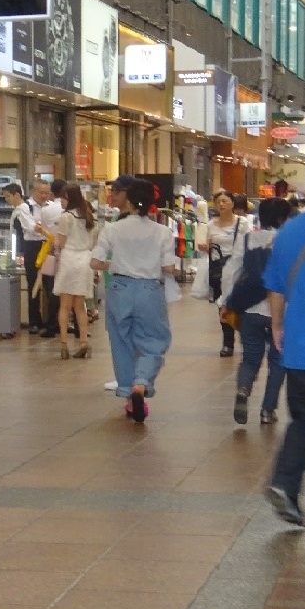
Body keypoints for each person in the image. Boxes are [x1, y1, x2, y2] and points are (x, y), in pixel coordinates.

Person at [90, 179, 176, 423]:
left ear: (129, 200)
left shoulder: (112, 229)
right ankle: (141, 383)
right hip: (150, 289)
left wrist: (116, 264)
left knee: (121, 341)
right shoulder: (163, 232)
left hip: (119, 288)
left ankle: (129, 396)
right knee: (154, 340)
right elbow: (169, 267)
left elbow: (95, 263)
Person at [219, 198, 291, 426]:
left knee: (250, 358)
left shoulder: (247, 238)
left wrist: (225, 301)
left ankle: (243, 388)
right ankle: (267, 410)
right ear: (283, 218)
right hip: (282, 311)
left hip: (250, 309)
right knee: (278, 361)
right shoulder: (290, 241)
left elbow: (231, 272)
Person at [263, 204, 305, 527]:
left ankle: (284, 483)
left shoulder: (291, 231)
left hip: (301, 347)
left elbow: (276, 286)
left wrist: (278, 326)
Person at [52, 183, 99, 359]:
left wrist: (55, 244)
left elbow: (61, 243)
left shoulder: (66, 217)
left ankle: (64, 344)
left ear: (69, 198)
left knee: (64, 305)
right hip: (85, 260)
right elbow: (94, 243)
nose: (61, 202)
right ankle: (83, 342)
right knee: (80, 305)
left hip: (69, 259)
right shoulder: (89, 217)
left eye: (63, 198)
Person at [198, 190, 244, 357]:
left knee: (241, 306)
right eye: (218, 202)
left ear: (232, 203)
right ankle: (228, 343)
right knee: (222, 305)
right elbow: (206, 244)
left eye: (225, 201)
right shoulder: (211, 224)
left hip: (238, 269)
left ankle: (247, 340)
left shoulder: (242, 223)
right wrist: (204, 247)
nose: (221, 205)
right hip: (218, 270)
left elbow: (249, 244)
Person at [101, 175, 136, 392]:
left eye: (117, 191)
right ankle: (125, 375)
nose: (112, 196)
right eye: (111, 191)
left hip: (122, 281)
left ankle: (127, 377)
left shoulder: (127, 221)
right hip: (114, 280)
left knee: (123, 332)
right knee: (120, 332)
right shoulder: (118, 218)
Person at [37, 179, 66, 338]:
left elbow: (44, 228)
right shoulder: (68, 210)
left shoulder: (46, 209)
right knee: (68, 290)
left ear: (52, 192)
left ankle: (51, 325)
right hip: (67, 252)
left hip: (49, 252)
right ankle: (69, 324)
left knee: (50, 289)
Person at [23, 180, 51, 334]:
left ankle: (50, 321)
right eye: (41, 192)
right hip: (32, 247)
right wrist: (42, 228)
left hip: (48, 246)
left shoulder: (51, 206)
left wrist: (41, 227)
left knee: (50, 284)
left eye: (47, 192)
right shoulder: (26, 207)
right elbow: (30, 227)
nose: (44, 195)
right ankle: (34, 321)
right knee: (33, 284)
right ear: (34, 191)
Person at [2, 183, 33, 278]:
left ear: (17, 195)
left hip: (24, 248)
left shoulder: (23, 208)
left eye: (8, 196)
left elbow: (28, 228)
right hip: (20, 248)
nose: (6, 199)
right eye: (5, 197)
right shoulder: (18, 209)